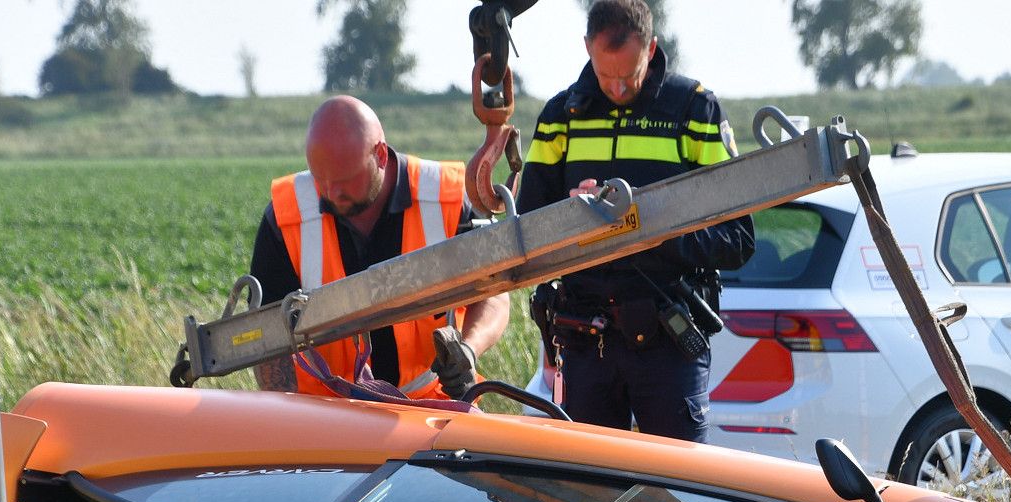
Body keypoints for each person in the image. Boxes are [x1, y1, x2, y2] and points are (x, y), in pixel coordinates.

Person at [516, 0, 753, 442]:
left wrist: (649, 230)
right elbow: (528, 233)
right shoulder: (558, 118)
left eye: (630, 75)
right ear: (587, 48)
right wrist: (572, 216)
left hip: (668, 343)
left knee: (680, 496)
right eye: (607, 76)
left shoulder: (694, 110)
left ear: (652, 47)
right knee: (587, 498)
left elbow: (737, 239)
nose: (619, 89)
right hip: (586, 341)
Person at [246, 96, 509, 398]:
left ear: (380, 155)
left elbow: (495, 293)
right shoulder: (286, 217)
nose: (332, 193)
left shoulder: (444, 200)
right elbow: (268, 341)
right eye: (321, 179)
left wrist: (469, 350)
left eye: (345, 180)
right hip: (324, 414)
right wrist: (289, 417)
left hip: (430, 404)